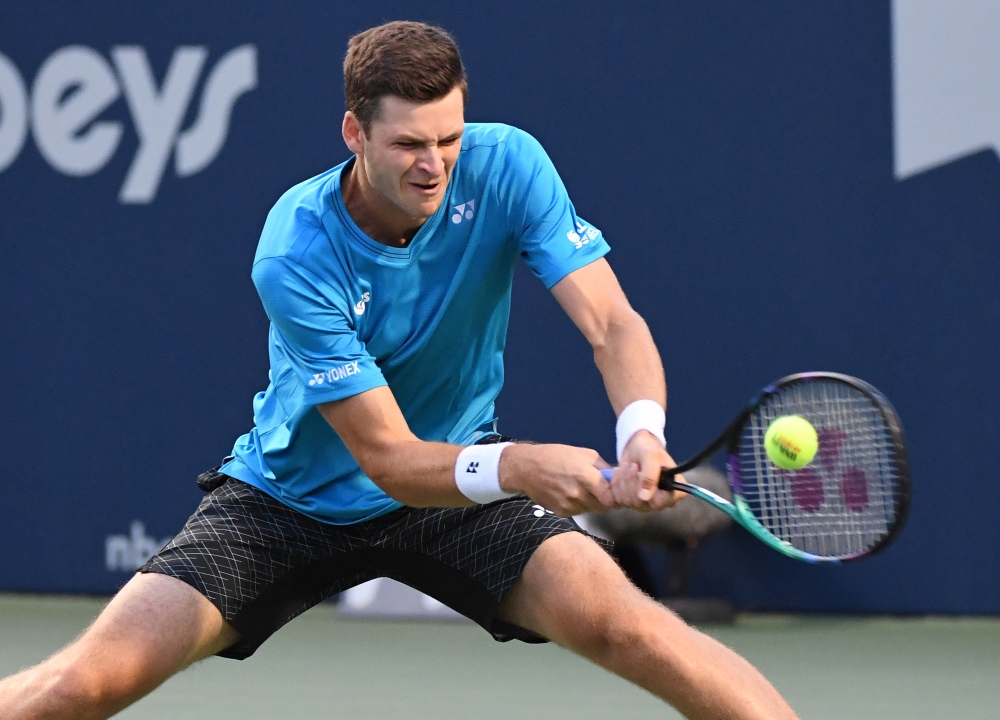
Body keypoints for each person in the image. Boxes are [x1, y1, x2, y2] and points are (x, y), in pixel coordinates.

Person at [0, 21, 799, 720]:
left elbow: (612, 323)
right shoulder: (296, 250)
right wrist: (522, 466)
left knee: (635, 628)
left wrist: (641, 431)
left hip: (456, 489)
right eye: (409, 145)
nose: (435, 164)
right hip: (288, 505)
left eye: (449, 138)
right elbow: (386, 458)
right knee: (87, 687)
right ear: (353, 132)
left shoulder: (509, 165)